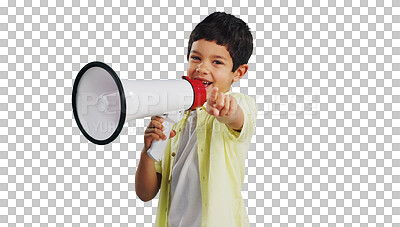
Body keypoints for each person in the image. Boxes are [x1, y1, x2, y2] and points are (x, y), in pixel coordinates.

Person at [135, 12, 257, 227]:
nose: (202, 69)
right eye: (196, 58)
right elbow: (145, 193)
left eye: (217, 61)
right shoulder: (174, 113)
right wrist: (148, 153)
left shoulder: (240, 103)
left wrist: (227, 111)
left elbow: (237, 117)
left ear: (238, 72)